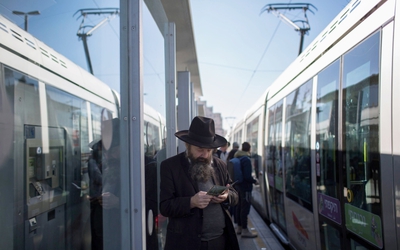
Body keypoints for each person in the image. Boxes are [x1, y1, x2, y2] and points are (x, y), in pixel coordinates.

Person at [160, 116, 240, 250]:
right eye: (200, 150)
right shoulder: (170, 166)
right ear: (188, 145)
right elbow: (165, 206)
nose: (205, 155)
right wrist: (191, 202)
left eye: (209, 150)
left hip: (220, 241)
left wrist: (226, 196)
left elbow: (234, 195)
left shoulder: (220, 164)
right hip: (187, 243)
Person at [234, 142, 258, 238]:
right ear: (249, 149)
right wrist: (254, 181)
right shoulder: (246, 159)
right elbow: (247, 176)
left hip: (238, 187)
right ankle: (245, 230)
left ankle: (239, 227)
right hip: (246, 188)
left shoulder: (238, 157)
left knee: (239, 207)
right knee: (245, 209)